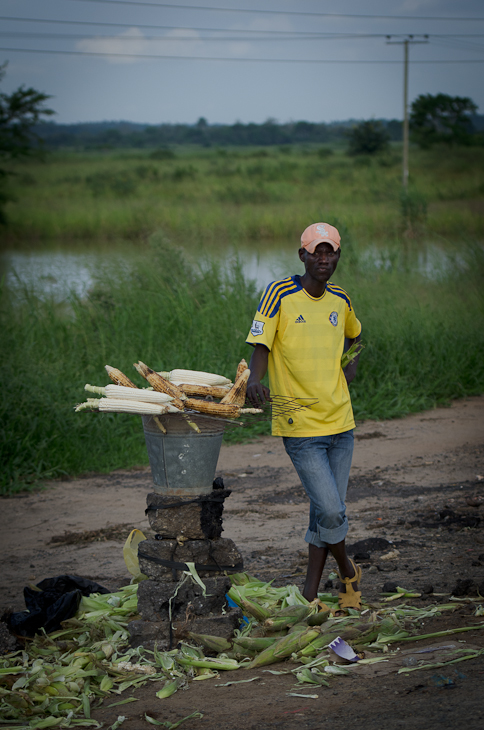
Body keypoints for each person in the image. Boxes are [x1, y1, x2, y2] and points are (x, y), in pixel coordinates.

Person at [246, 222, 362, 609]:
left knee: (323, 515)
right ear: (303, 256)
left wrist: (350, 363)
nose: (324, 259)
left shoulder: (341, 300)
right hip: (300, 427)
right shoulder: (279, 293)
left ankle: (310, 596)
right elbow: (260, 345)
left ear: (338, 256)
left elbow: (355, 334)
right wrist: (253, 382)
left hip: (340, 423)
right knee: (331, 509)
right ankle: (348, 570)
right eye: (317, 252)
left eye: (331, 252)